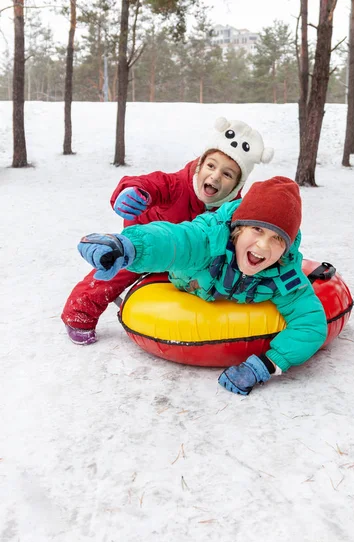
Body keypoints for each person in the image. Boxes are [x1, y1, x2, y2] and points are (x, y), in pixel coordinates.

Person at [77, 177, 328, 397]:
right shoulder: (209, 241)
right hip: (184, 278)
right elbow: (175, 240)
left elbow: (310, 323)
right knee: (134, 267)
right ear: (238, 229)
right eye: (257, 229)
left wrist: (265, 365)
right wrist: (129, 247)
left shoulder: (285, 274)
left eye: (277, 239)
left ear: (286, 248)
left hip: (222, 292)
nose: (263, 246)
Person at [61, 116, 274, 345]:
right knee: (119, 270)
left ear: (237, 186)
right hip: (148, 242)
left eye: (227, 174)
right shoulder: (177, 184)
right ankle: (78, 313)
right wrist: (134, 192)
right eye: (211, 166)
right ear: (200, 165)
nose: (214, 176)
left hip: (187, 256)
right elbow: (150, 184)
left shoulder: (231, 211)